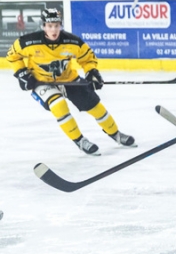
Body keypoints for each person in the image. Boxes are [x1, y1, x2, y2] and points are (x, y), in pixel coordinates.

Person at [6, 9, 136, 155]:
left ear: (60, 25)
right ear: (43, 26)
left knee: (95, 106)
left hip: (69, 80)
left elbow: (87, 58)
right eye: (49, 26)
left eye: (56, 25)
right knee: (59, 105)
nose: (53, 30)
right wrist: (22, 73)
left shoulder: (72, 41)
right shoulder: (27, 42)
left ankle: (116, 134)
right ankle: (80, 141)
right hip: (42, 82)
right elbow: (12, 56)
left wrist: (92, 72)